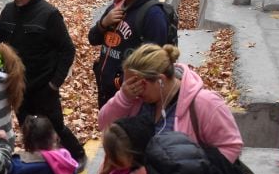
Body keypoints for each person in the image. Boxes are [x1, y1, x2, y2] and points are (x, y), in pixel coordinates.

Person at [0, 0, 89, 169]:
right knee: (28, 127)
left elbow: (67, 50)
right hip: (18, 85)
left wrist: (54, 83)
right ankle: (39, 161)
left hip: (44, 86)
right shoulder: (8, 10)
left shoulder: (49, 14)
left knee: (54, 126)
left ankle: (78, 155)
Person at [98, 43, 243, 163]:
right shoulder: (133, 98)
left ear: (160, 80)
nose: (132, 88)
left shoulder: (205, 103)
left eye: (137, 83)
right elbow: (104, 125)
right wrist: (123, 97)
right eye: (127, 82)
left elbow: (231, 147)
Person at [89, 0, 170, 108]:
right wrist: (103, 23)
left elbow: (154, 63)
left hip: (132, 100)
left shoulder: (153, 15)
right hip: (106, 92)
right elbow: (92, 39)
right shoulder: (116, 6)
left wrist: (122, 82)